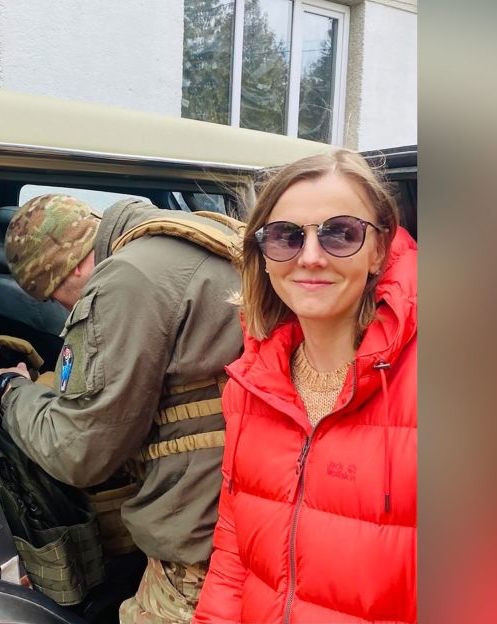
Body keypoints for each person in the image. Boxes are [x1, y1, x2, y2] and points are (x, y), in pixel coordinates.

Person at [0, 193, 242, 623]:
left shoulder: (125, 279)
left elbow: (79, 452)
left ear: (72, 268)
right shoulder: (191, 236)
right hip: (241, 512)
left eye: (54, 294)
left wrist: (13, 391)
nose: (62, 307)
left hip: (201, 544)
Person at [193, 150, 417, 623]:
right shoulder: (251, 386)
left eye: (341, 233)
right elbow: (235, 554)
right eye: (286, 237)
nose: (310, 257)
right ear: (265, 255)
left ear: (378, 249)